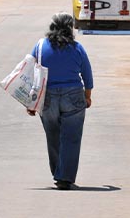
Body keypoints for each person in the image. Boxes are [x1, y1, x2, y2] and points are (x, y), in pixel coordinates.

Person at [27, 12, 93, 190]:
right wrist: (87, 96)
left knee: (53, 136)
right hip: (73, 96)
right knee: (71, 138)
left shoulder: (40, 46)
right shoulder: (77, 48)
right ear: (69, 29)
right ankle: (65, 176)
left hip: (47, 97)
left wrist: (31, 102)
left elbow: (28, 72)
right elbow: (87, 75)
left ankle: (58, 173)